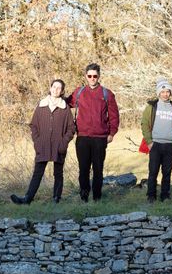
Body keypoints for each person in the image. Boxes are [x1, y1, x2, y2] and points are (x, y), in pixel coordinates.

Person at [11, 79, 76, 204]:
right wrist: (37, 141)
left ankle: (56, 199)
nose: (56, 90)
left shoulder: (65, 108)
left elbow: (71, 128)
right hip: (43, 145)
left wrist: (64, 143)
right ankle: (27, 199)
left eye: (59, 88)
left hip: (59, 146)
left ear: (62, 91)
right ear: (50, 88)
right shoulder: (41, 105)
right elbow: (34, 125)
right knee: (37, 173)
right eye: (54, 87)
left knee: (58, 173)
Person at [68, 63, 120, 202]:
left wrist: (111, 133)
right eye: (89, 76)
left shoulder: (106, 93)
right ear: (86, 76)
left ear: (99, 76)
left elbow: (114, 115)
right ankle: (84, 197)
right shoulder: (79, 92)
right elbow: (65, 104)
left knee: (98, 169)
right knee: (83, 169)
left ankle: (97, 198)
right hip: (83, 137)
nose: (92, 78)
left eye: (95, 76)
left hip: (100, 138)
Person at [141, 79, 172, 203]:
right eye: (163, 91)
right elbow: (145, 124)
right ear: (158, 93)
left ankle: (165, 195)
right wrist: (149, 142)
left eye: (167, 92)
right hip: (155, 144)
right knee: (153, 171)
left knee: (167, 172)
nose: (165, 94)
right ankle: (151, 196)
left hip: (169, 145)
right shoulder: (152, 106)